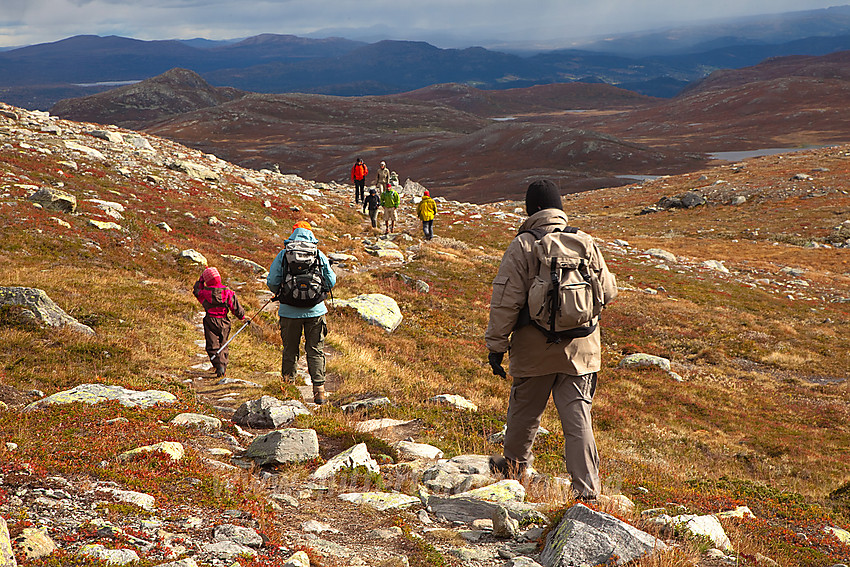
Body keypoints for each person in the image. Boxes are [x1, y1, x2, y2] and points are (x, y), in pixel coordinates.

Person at [485, 180, 618, 501]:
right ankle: (587, 492)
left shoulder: (523, 245)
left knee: (525, 411)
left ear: (531, 210)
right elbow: (609, 292)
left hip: (534, 349)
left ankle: (514, 469)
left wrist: (496, 346)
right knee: (577, 417)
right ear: (559, 207)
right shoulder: (583, 241)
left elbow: (506, 302)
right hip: (582, 348)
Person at [267, 221, 337, 405]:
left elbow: (272, 281)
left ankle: (288, 388)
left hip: (289, 312)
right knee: (315, 350)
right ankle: (319, 391)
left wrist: (282, 293)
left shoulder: (284, 254)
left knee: (290, 350)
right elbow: (330, 281)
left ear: (293, 233)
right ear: (311, 234)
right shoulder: (317, 253)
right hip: (315, 311)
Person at [193, 266, 246, 378]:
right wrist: (242, 317)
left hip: (210, 320)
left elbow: (196, 291)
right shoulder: (228, 292)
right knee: (223, 344)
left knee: (212, 345)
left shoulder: (204, 293)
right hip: (224, 321)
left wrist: (201, 281)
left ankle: (218, 366)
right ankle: (223, 365)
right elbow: (236, 308)